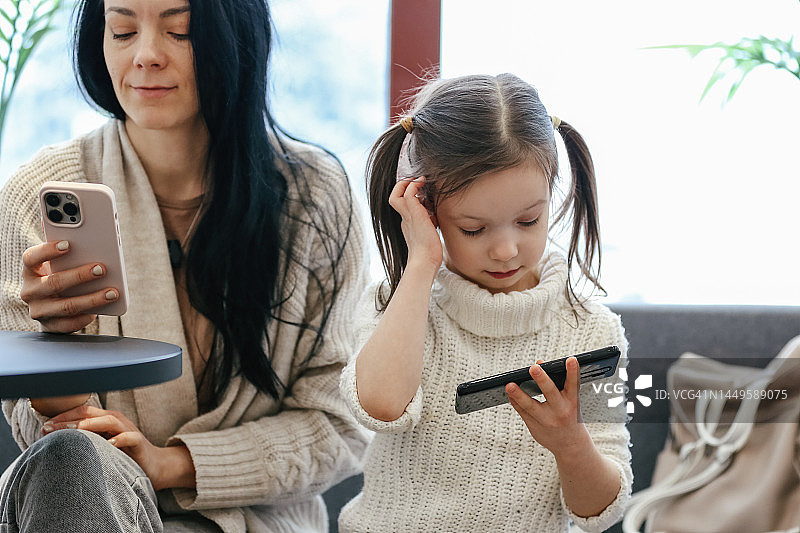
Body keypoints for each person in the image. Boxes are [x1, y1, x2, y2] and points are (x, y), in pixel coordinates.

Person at [0, 0, 369, 531]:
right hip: (99, 509)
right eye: (123, 31)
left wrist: (174, 463)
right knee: (69, 462)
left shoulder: (312, 198)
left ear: (235, 41)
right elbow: (47, 442)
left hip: (258, 522)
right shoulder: (37, 196)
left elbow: (340, 422)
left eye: (180, 31)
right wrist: (53, 350)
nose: (146, 55)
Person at [338, 73, 632, 532]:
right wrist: (421, 265)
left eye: (529, 220)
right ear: (427, 210)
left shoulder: (592, 330)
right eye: (472, 229)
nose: (506, 250)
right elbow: (379, 407)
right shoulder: (396, 302)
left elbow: (599, 512)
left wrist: (570, 443)